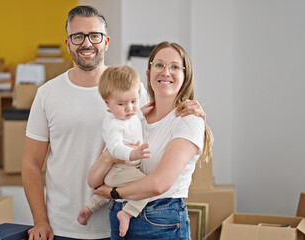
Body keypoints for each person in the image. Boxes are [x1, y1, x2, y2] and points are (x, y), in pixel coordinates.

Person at [22, 5, 206, 240]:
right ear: (68, 44)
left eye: (94, 36)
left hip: (119, 223)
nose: (87, 43)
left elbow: (166, 113)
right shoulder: (47, 94)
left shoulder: (133, 89)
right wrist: (40, 221)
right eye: (78, 36)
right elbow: (30, 163)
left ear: (106, 41)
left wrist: (194, 108)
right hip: (64, 227)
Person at [89, 41, 214, 240]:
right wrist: (109, 156)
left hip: (160, 220)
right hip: (118, 217)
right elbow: (95, 180)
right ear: (148, 73)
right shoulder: (133, 117)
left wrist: (114, 192)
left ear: (185, 75)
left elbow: (160, 183)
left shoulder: (189, 121)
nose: (166, 72)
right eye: (159, 65)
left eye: (174, 67)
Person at [77, 65, 151, 237]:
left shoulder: (129, 114)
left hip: (122, 171)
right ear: (106, 103)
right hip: (120, 169)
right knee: (146, 186)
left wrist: (143, 111)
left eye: (134, 101)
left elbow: (137, 118)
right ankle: (127, 213)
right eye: (122, 104)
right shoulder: (113, 123)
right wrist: (134, 154)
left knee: (108, 192)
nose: (130, 108)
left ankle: (87, 209)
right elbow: (115, 148)